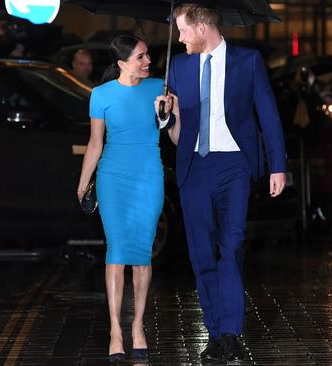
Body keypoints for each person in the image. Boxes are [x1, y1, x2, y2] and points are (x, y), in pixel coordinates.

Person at [155, 4, 287, 363]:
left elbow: (269, 116)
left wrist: (278, 167)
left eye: (183, 31)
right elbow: (179, 136)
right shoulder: (179, 66)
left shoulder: (248, 61)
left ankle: (231, 333)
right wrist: (167, 118)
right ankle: (214, 334)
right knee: (201, 255)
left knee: (232, 247)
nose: (179, 38)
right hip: (194, 166)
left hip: (234, 166)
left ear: (201, 28)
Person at [76, 35, 164, 363]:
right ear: (122, 63)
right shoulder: (100, 95)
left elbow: (176, 137)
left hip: (149, 176)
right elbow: (95, 143)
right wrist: (84, 183)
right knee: (117, 250)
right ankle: (115, 330)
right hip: (113, 177)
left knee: (142, 252)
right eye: (141, 57)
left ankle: (137, 326)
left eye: (148, 56)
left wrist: (170, 116)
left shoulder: (160, 88)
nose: (147, 61)